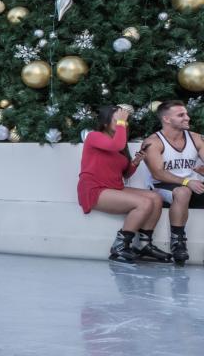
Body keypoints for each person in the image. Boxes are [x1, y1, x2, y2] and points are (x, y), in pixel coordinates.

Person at [77, 105, 170, 264]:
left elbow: (125, 174)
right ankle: (119, 247)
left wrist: (134, 162)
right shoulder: (94, 136)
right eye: (118, 120)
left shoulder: (119, 144)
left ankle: (144, 246)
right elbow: (116, 145)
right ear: (105, 123)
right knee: (144, 203)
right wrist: (121, 122)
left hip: (113, 187)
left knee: (155, 197)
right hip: (94, 189)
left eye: (125, 122)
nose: (123, 124)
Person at [142, 100, 204, 266]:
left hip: (192, 184)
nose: (187, 118)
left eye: (186, 114)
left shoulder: (196, 138)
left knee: (187, 190)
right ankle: (178, 243)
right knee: (183, 192)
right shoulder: (153, 142)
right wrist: (186, 181)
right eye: (181, 115)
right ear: (167, 119)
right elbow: (158, 173)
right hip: (163, 186)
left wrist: (200, 172)